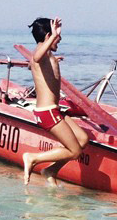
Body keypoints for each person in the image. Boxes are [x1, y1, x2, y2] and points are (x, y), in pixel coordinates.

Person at [22, 17, 89, 186]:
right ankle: (33, 158)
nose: (60, 38)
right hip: (47, 112)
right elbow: (36, 59)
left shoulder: (48, 56)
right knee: (74, 152)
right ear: (47, 37)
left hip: (55, 110)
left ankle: (51, 170)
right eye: (56, 36)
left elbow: (35, 65)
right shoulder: (39, 54)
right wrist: (52, 37)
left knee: (82, 139)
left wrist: (53, 61)